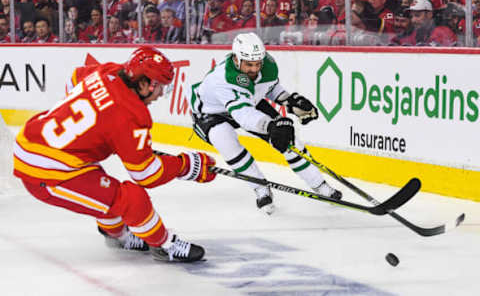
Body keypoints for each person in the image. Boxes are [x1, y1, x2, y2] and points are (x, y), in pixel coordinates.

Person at [13, 46, 217, 262]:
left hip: (34, 140)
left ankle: (116, 236)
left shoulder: (109, 72)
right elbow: (146, 174)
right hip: (46, 172)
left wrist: (95, 131)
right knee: (131, 199)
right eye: (161, 88)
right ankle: (164, 245)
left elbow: (75, 79)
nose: (161, 95)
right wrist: (186, 166)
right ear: (143, 84)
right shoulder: (131, 115)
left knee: (105, 190)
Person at [185, 32, 342, 215]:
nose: (254, 69)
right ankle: (260, 188)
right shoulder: (223, 79)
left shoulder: (267, 64)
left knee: (288, 142)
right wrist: (271, 126)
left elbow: (270, 88)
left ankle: (320, 185)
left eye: (257, 64)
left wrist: (290, 101)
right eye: (249, 65)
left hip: (246, 101)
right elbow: (244, 115)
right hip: (211, 112)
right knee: (226, 141)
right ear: (236, 59)